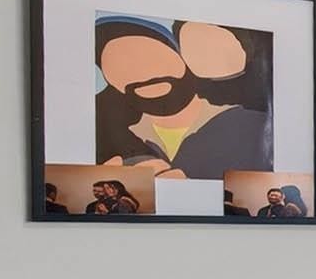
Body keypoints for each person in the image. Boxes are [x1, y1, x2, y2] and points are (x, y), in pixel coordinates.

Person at [93, 16, 272, 178]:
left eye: (153, 55)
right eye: (121, 64)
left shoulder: (255, 126)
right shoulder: (110, 143)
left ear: (185, 60)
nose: (143, 71)